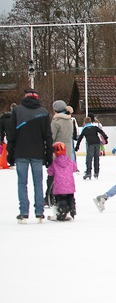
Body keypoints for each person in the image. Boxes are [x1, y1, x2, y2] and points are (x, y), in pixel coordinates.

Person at [7, 89, 52, 223]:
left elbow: (11, 134)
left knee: (22, 183)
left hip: (21, 152)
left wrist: (10, 153)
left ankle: (24, 212)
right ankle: (39, 212)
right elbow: (48, 136)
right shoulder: (44, 112)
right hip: (38, 153)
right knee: (38, 182)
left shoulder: (17, 111)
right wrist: (48, 155)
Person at [46, 142, 77, 221]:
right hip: (70, 184)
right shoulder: (70, 161)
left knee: (61, 198)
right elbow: (74, 168)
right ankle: (72, 207)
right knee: (70, 197)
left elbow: (50, 172)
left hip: (59, 185)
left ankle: (62, 211)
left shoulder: (55, 163)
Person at [75, 116, 110, 180]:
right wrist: (105, 138)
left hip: (90, 144)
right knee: (96, 157)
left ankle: (88, 172)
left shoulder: (85, 129)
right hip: (97, 143)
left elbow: (80, 138)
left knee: (89, 158)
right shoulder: (94, 127)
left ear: (85, 122)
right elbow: (101, 132)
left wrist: (77, 146)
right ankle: (96, 172)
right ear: (91, 122)